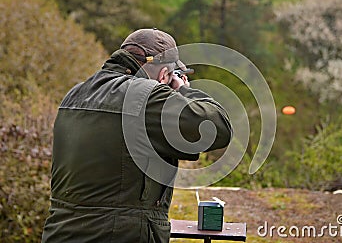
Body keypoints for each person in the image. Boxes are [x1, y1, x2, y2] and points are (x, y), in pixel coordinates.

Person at [41, 28, 232, 243]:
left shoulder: (75, 94)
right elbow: (219, 128)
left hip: (60, 234)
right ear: (163, 75)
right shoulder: (147, 97)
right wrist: (184, 90)